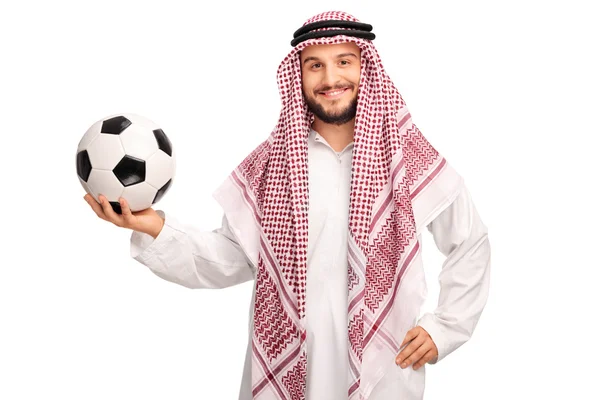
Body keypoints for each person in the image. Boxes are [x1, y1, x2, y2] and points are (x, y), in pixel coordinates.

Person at [83, 11, 491, 400]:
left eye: (344, 61)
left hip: (383, 375)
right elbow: (233, 258)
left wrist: (445, 328)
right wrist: (154, 226)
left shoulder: (408, 157)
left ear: (366, 68)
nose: (331, 78)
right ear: (298, 74)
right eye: (315, 65)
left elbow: (470, 242)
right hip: (283, 372)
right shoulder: (271, 165)